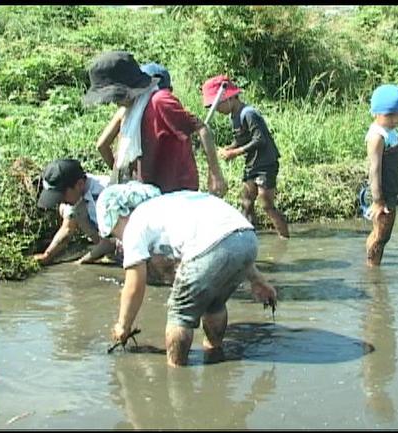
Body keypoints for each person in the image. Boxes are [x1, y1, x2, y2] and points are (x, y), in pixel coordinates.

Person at [96, 181, 278, 367]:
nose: (117, 239)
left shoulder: (135, 223)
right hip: (247, 238)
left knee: (179, 314)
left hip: (211, 246)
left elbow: (134, 285)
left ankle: (177, 374)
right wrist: (257, 280)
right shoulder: (170, 202)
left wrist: (123, 326)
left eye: (113, 231)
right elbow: (226, 237)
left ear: (121, 214)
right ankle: (214, 353)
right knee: (214, 304)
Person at [84, 51, 227, 196]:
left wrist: (215, 175)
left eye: (115, 97)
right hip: (147, 193)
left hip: (175, 194)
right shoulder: (131, 110)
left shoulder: (160, 101)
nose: (113, 103)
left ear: (127, 88)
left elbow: (201, 128)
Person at [200, 75, 289, 239]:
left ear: (230, 98)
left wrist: (235, 152)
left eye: (217, 105)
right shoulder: (234, 116)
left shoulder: (249, 114)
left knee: (266, 204)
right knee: (246, 201)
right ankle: (249, 238)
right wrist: (230, 148)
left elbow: (260, 139)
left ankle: (284, 238)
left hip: (266, 164)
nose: (217, 109)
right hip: (252, 164)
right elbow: (241, 139)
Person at [34, 159, 116, 265]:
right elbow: (67, 229)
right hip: (108, 243)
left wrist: (82, 261)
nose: (61, 201)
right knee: (75, 212)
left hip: (131, 244)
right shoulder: (75, 194)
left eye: (62, 195)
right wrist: (47, 255)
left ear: (80, 184)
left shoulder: (107, 194)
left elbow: (110, 243)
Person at [364, 84, 398, 266]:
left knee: (383, 234)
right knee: (381, 235)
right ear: (375, 113)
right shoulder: (377, 136)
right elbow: (374, 169)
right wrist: (378, 200)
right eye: (389, 115)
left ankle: (373, 263)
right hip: (381, 194)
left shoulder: (390, 132)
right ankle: (372, 268)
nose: (395, 119)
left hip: (390, 192)